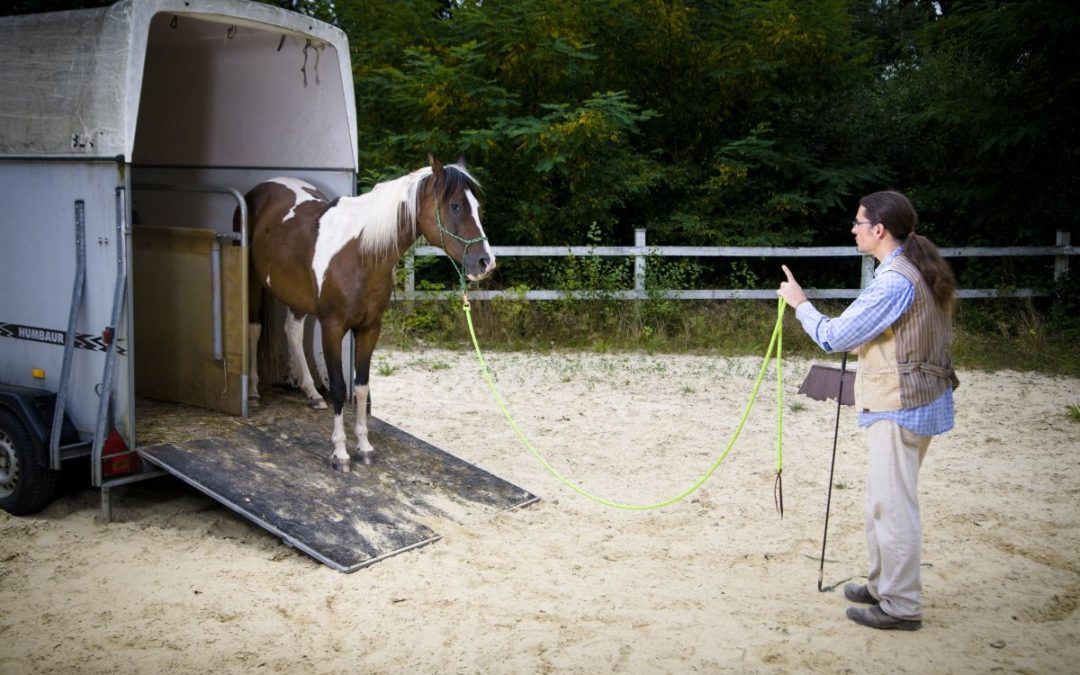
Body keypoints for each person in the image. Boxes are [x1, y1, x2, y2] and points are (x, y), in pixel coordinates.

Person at [776, 190, 959, 631]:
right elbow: (899, 332)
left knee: (893, 505)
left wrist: (799, 304)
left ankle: (900, 605)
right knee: (884, 500)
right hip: (915, 400)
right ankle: (883, 586)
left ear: (879, 230)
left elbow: (834, 336)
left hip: (901, 404)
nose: (854, 229)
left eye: (859, 222)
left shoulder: (896, 278)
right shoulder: (912, 271)